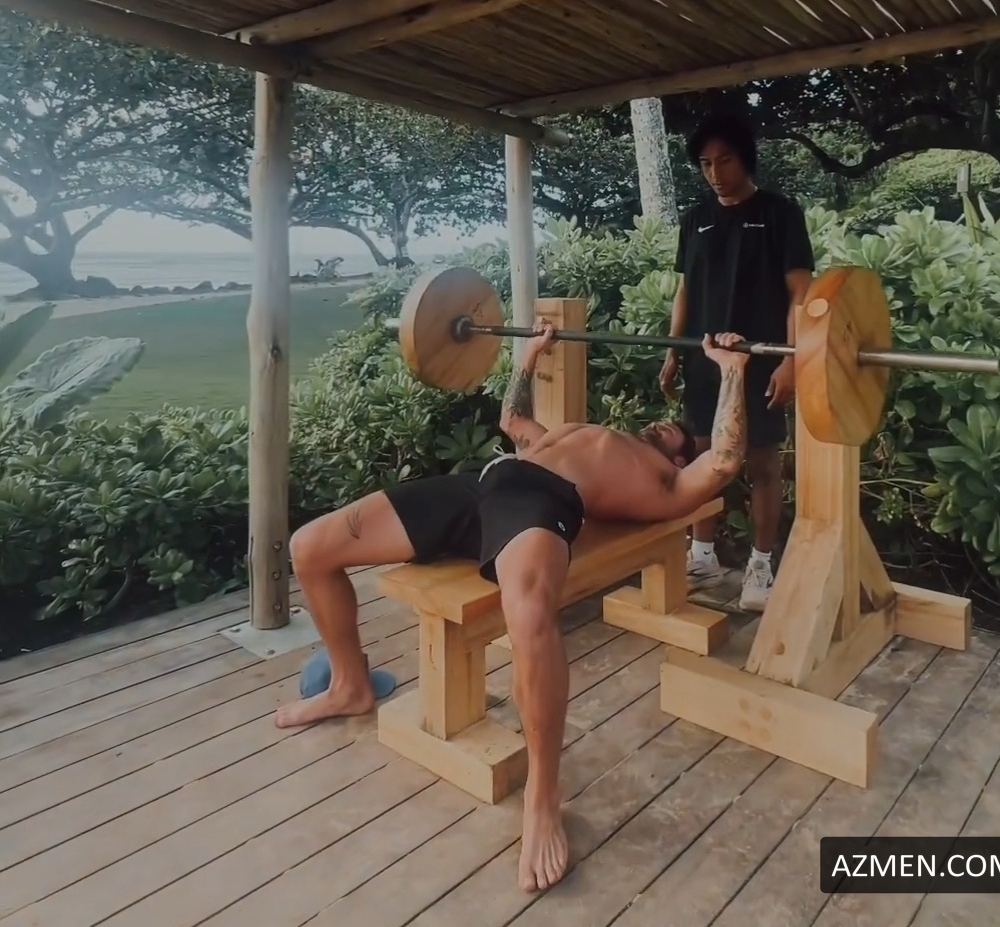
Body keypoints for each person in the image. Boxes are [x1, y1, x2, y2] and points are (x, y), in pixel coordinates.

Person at [274, 320, 750, 894]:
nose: (662, 425)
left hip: (538, 502)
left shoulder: (661, 481)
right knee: (311, 547)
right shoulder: (581, 432)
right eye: (663, 422)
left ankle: (542, 797)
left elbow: (724, 459)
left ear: (678, 459)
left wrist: (732, 372)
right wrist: (530, 356)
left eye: (675, 433)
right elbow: (513, 422)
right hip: (479, 484)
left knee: (527, 614)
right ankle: (349, 684)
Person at [660, 112, 815, 611]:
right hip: (704, 361)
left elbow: (800, 292)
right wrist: (673, 350)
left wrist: (791, 359)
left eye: (724, 160)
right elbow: (685, 291)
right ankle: (702, 555)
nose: (715, 172)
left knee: (764, 465)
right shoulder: (694, 218)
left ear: (745, 159)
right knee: (705, 461)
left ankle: (761, 567)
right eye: (705, 163)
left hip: (762, 360)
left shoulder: (780, 213)